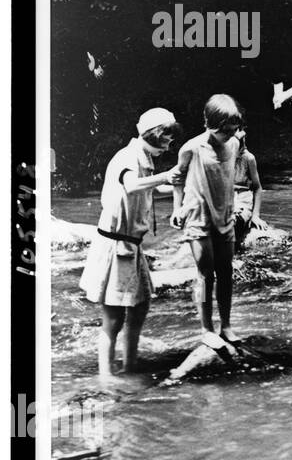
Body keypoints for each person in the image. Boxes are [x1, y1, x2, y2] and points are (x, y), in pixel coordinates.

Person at [79, 107, 180, 383]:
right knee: (113, 315)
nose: (171, 144)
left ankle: (130, 364)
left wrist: (178, 183)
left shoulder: (144, 157)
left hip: (130, 246)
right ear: (158, 135)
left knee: (140, 306)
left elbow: (151, 188)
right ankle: (106, 374)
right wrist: (165, 176)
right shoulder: (127, 157)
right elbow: (133, 185)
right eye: (169, 137)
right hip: (115, 246)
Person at [170, 95, 244, 346]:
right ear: (210, 125)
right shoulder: (192, 148)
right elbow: (177, 179)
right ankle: (206, 329)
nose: (231, 135)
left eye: (235, 130)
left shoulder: (235, 143)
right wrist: (176, 209)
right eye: (226, 131)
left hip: (225, 215)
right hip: (198, 216)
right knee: (205, 274)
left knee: (226, 272)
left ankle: (226, 326)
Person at [231, 129, 265, 249]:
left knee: (235, 220)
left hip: (242, 198)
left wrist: (256, 215)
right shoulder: (219, 156)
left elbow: (257, 188)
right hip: (225, 196)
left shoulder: (248, 158)